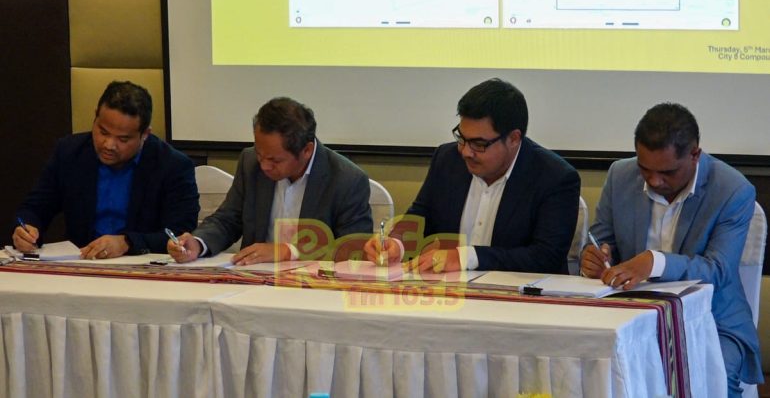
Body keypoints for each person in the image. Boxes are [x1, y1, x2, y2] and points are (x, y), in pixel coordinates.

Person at [581, 102, 763, 396]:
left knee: (706, 380)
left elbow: (718, 270)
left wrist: (654, 262)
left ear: (695, 155)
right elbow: (600, 241)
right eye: (645, 169)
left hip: (711, 321)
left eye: (667, 172)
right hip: (628, 315)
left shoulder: (732, 190)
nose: (654, 181)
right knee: (590, 372)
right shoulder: (620, 175)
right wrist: (592, 259)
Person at [365, 78, 580, 274]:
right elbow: (420, 216)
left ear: (514, 138)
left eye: (479, 143)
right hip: (449, 293)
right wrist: (396, 243)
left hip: (521, 298)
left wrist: (465, 257)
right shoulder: (447, 159)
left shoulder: (555, 178)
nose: (466, 152)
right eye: (462, 138)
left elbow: (546, 257)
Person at [167, 97, 372, 265]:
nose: (264, 166)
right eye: (260, 154)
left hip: (313, 287)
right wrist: (198, 243)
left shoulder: (347, 179)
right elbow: (228, 219)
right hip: (253, 278)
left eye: (275, 160)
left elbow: (352, 248)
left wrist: (289, 251)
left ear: (307, 150)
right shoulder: (249, 162)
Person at [13, 81, 199, 258]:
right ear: (95, 116)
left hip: (143, 267)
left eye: (123, 139)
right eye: (103, 132)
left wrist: (127, 242)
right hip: (80, 263)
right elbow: (35, 207)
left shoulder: (173, 166)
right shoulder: (69, 153)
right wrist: (27, 229)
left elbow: (180, 233)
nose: (109, 145)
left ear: (145, 134)